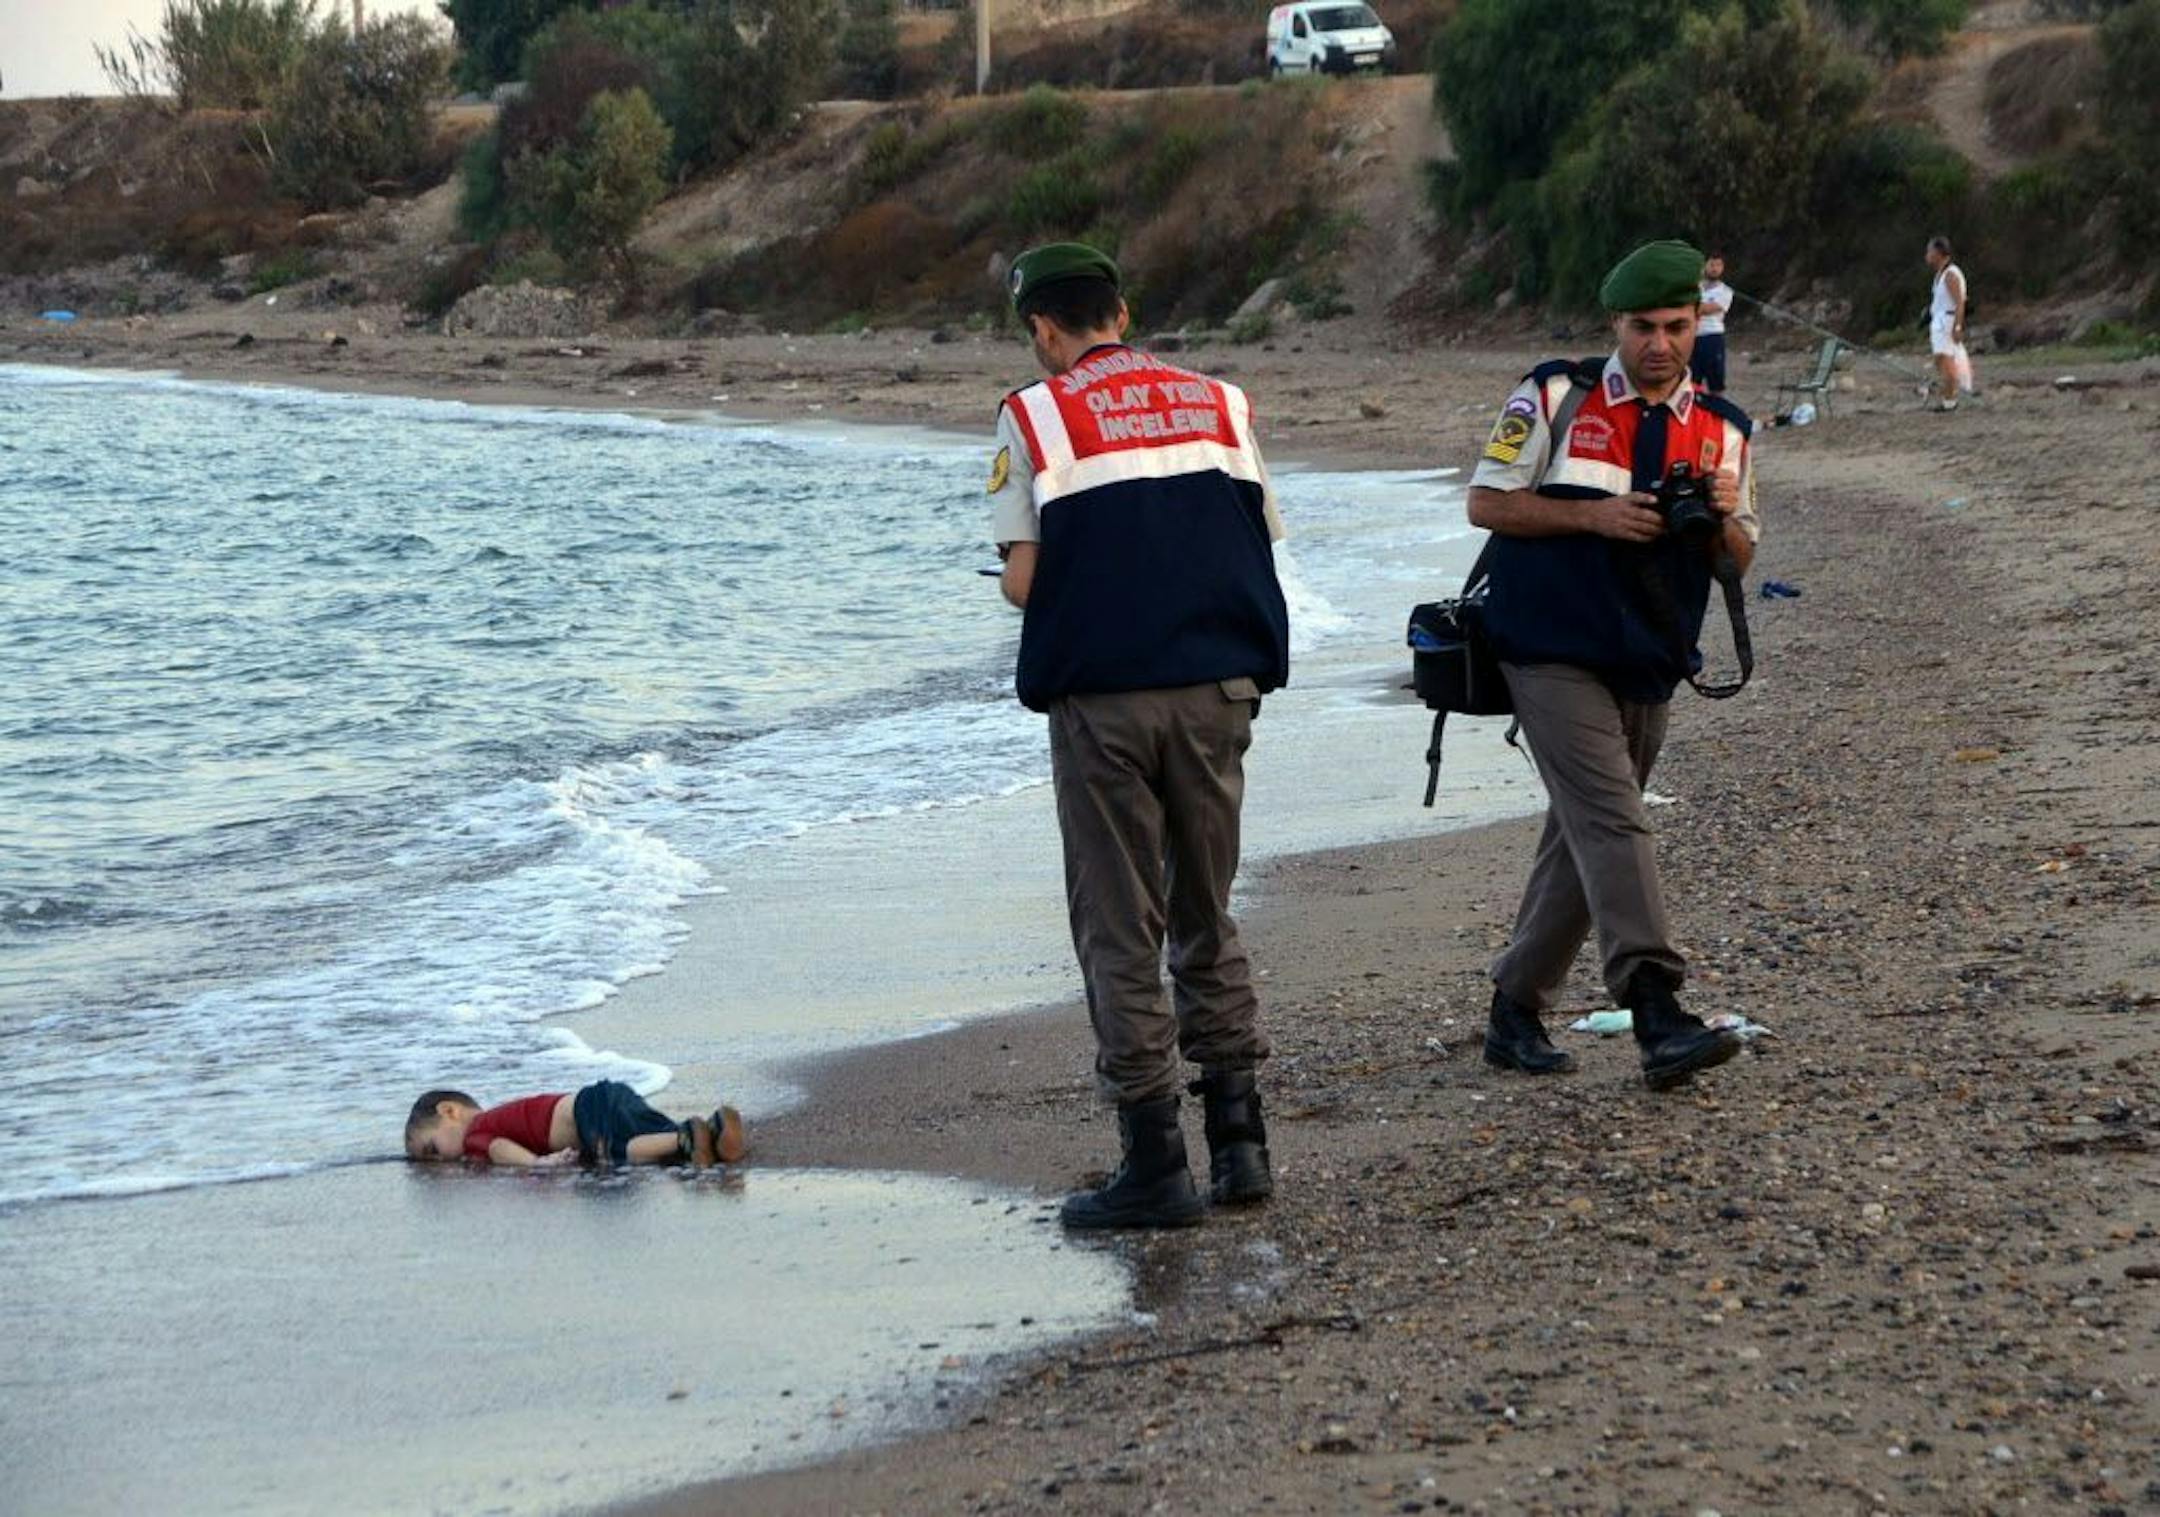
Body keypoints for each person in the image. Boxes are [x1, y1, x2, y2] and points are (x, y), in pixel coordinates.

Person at [990, 242, 1289, 1230]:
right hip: (1217, 689)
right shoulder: (1221, 401)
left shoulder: (1034, 412)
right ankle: (1241, 1143)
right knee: (1207, 907)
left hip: (1107, 700)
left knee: (1121, 923)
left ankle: (1154, 1159)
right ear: (1122, 309)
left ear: (1043, 328)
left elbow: (1027, 582)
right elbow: (1257, 536)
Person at [1465, 238, 1761, 1092]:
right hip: (1545, 643)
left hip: (1650, 655)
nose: (1659, 343)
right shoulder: (1556, 391)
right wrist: (1594, 518)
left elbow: (1739, 559)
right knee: (1615, 819)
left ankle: (1514, 1009)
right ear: (1615, 324)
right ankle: (1657, 1005)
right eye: (1642, 326)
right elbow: (1486, 502)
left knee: (1583, 834)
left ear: (1697, 321)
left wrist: (1718, 522)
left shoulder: (1724, 428)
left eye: (1676, 324)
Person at [404, 1081, 746, 1168]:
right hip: (604, 1096)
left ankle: (686, 1138)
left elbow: (498, 1149)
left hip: (588, 1112)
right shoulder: (499, 1115)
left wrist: (536, 1163)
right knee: (654, 1137)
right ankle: (711, 1130)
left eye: (432, 1149)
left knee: (618, 1153)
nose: (440, 1160)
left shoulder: (477, 1132)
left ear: (449, 1111)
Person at [1925, 235, 1973, 411]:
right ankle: (1950, 396)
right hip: (1940, 320)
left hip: (1947, 321)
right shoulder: (1941, 274)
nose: (1928, 255)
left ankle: (1950, 400)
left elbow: (1960, 302)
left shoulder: (1950, 274)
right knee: (1940, 359)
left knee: (1945, 360)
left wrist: (1957, 326)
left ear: (1938, 253)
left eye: (1930, 251)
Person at [1690, 253, 1732, 394]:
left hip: (1712, 337)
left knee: (1716, 382)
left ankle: (1717, 414)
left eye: (1718, 265)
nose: (1715, 269)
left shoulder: (1725, 291)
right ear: (1704, 266)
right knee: (1692, 381)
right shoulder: (1694, 288)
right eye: (1712, 264)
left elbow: (1705, 309)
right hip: (1692, 338)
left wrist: (1691, 305)